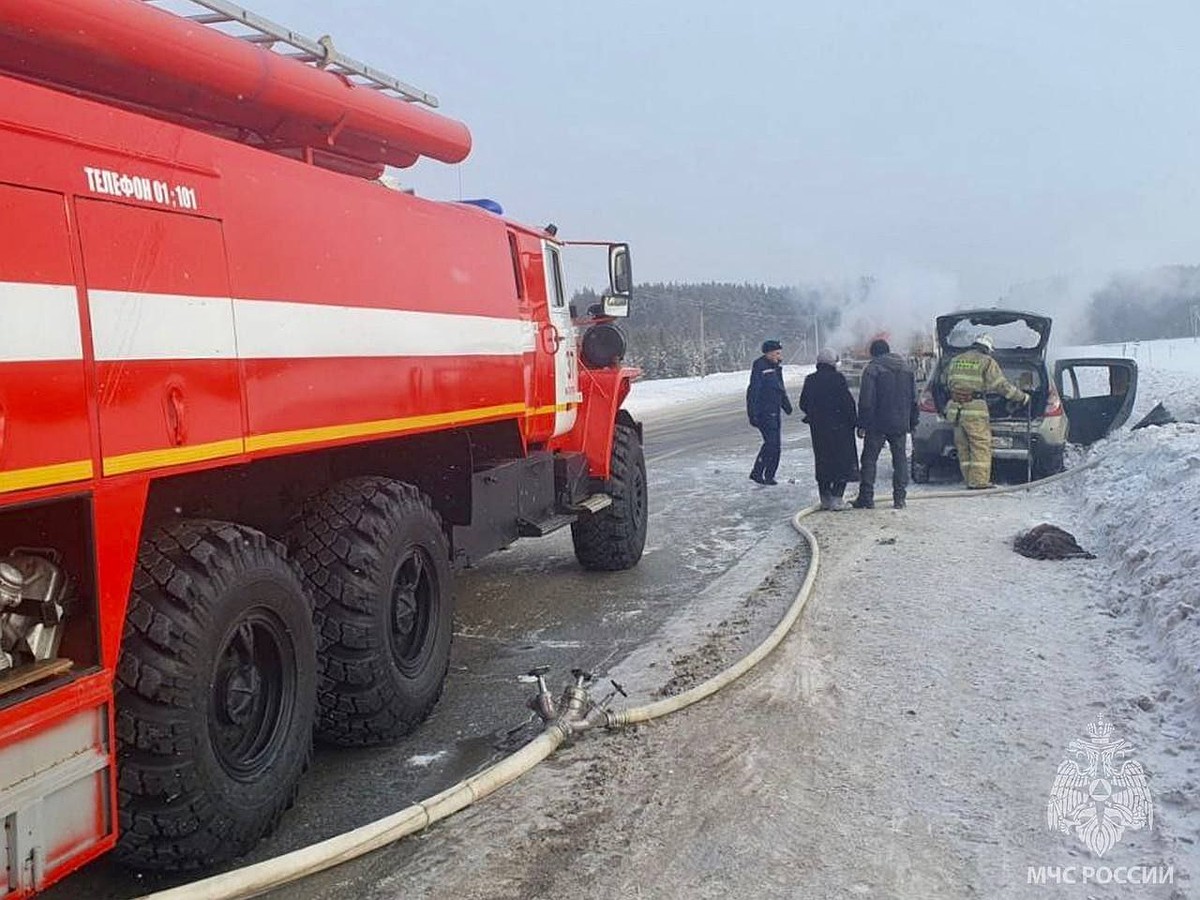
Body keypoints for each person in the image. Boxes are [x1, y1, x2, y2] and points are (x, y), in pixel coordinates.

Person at [942, 333, 1029, 489]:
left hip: (955, 410)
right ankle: (979, 482)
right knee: (980, 445)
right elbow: (1001, 386)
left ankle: (969, 480)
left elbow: (947, 382)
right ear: (987, 349)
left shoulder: (956, 360)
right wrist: (1022, 397)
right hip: (974, 410)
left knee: (963, 447)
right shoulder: (986, 361)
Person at [850, 338, 918, 509]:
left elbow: (866, 400)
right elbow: (914, 398)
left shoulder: (872, 369)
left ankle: (866, 497)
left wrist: (862, 424)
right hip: (900, 423)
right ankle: (900, 498)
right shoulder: (907, 369)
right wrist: (912, 421)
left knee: (869, 460)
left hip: (877, 424)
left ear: (874, 353)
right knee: (900, 460)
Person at [799, 348, 859, 510]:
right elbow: (847, 403)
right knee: (842, 463)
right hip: (840, 429)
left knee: (823, 462)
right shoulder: (838, 379)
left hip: (819, 429)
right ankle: (837, 498)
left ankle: (825, 498)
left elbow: (803, 403)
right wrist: (855, 422)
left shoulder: (810, 380)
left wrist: (815, 415)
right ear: (833, 363)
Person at [746, 339, 793, 485]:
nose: (780, 356)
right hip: (764, 412)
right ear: (769, 353)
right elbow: (753, 391)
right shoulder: (760, 366)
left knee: (775, 445)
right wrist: (752, 413)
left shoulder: (776, 367)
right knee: (771, 444)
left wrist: (786, 405)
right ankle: (759, 472)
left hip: (775, 410)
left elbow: (779, 387)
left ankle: (768, 475)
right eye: (777, 353)